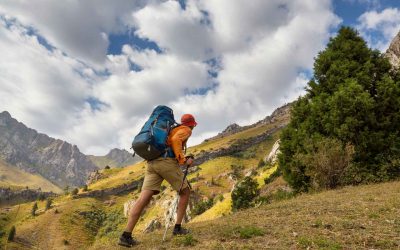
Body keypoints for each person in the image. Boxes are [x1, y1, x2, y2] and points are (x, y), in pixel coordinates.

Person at [119, 114, 197, 247]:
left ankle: (126, 235)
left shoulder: (170, 128)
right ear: (191, 124)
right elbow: (176, 140)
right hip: (165, 162)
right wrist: (183, 160)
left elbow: (171, 140)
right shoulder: (185, 130)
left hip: (151, 163)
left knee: (143, 198)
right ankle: (177, 228)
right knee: (185, 192)